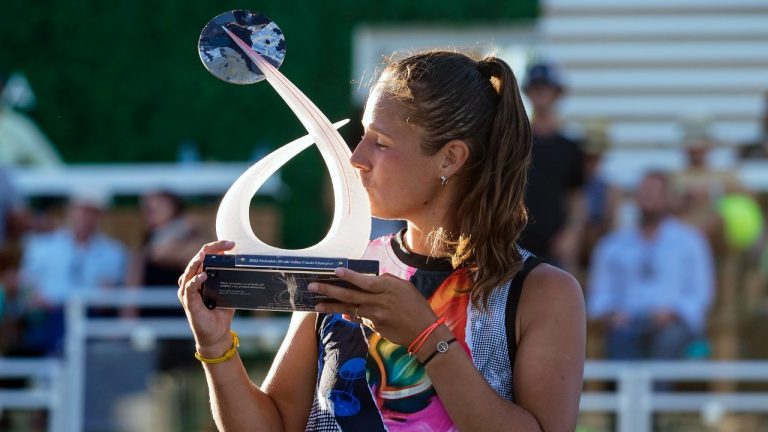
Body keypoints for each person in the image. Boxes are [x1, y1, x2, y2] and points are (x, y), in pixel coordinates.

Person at [178, 50, 585, 431]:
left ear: (450, 158)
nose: (356, 157)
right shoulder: (343, 264)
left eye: (381, 143)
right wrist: (216, 347)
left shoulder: (542, 292)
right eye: (362, 136)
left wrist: (427, 337)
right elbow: (278, 423)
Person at [588, 171, 715, 359]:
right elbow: (600, 293)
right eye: (644, 191)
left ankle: (658, 389)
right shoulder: (613, 245)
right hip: (627, 322)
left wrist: (672, 313)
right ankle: (629, 389)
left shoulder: (690, 241)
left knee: (667, 340)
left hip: (673, 323)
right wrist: (612, 314)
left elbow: (701, 293)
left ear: (668, 198)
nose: (648, 196)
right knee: (622, 339)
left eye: (654, 191)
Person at [19, 189, 127, 355]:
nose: (85, 218)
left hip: (89, 317)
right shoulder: (41, 247)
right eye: (81, 210)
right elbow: (27, 287)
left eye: (91, 212)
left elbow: (107, 297)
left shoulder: (114, 252)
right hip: (49, 317)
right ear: (70, 211)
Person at [517, 61, 586, 271]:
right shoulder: (516, 143)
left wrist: (571, 234)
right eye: (536, 88)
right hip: (517, 241)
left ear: (556, 93)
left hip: (555, 244)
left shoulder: (571, 147)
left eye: (545, 87)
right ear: (528, 93)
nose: (541, 93)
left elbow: (576, 197)